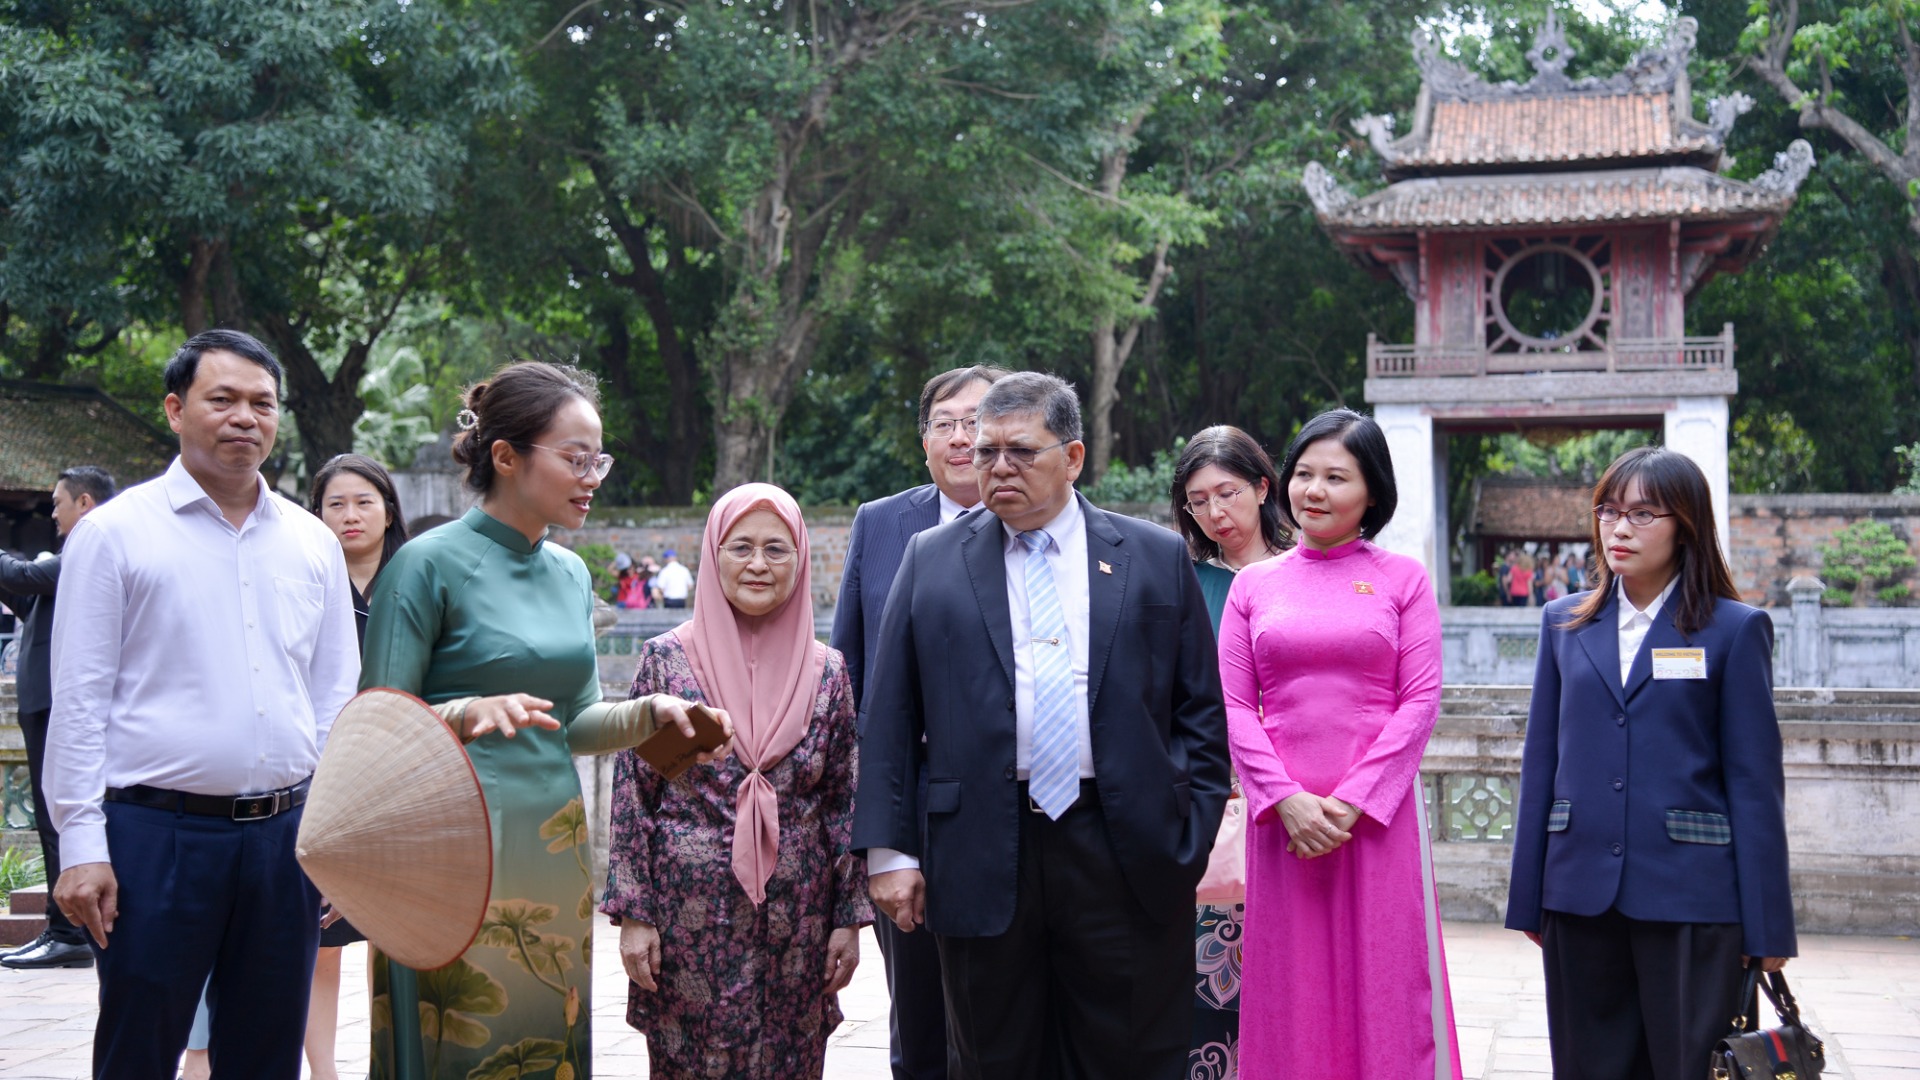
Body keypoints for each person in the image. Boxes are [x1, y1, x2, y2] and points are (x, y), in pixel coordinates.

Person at [359, 359, 731, 1080]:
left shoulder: (569, 574)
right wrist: (468, 711)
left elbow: (578, 721)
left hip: (554, 850)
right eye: (576, 458)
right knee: (459, 1035)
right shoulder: (425, 566)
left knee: (544, 1035)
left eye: (600, 459)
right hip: (453, 848)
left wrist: (652, 713)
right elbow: (376, 728)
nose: (593, 476)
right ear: (506, 457)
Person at [853, 372, 1231, 1080]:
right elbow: (890, 714)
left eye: (1021, 452)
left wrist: (1190, 831)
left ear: (1075, 456)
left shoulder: (1153, 558)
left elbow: (1201, 714)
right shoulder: (931, 561)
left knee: (1131, 1054)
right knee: (993, 1056)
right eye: (987, 451)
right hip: (979, 848)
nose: (997, 467)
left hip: (1124, 847)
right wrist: (890, 853)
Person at [44, 329, 360, 1079]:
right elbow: (80, 699)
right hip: (155, 835)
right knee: (141, 1043)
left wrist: (334, 837)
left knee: (265, 1049)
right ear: (176, 409)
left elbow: (333, 699)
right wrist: (82, 845)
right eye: (223, 400)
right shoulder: (116, 535)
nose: (245, 417)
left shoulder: (312, 543)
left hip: (284, 839)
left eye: (263, 403)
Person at [1505, 446, 1794, 1080]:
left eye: (1641, 514)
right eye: (1608, 511)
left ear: (1684, 525)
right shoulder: (1563, 623)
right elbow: (1542, 762)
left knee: (1689, 1068)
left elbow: (1753, 782)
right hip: (1578, 892)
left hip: (1692, 894)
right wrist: (1528, 896)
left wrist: (1769, 928)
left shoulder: (1734, 630)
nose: (1618, 528)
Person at [1218, 407, 1463, 1080]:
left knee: (1387, 978)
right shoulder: (1253, 585)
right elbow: (1237, 706)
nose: (1314, 491)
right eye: (1303, 474)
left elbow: (1418, 702)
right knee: (1288, 983)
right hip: (1282, 821)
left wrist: (1353, 801)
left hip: (1379, 821)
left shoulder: (1403, 580)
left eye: (1336, 476)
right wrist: (1286, 801)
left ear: (1373, 493)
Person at [604, 483, 871, 1077]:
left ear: (800, 559)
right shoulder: (667, 662)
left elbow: (842, 803)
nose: (757, 564)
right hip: (686, 925)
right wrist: (635, 915)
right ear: (712, 553)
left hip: (796, 929)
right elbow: (633, 797)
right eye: (740, 546)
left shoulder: (828, 672)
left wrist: (848, 920)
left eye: (776, 549)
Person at [830, 362, 1006, 1080]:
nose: (962, 438)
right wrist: (868, 832)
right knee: (919, 1018)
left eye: (978, 421)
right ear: (924, 440)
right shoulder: (881, 523)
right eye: (946, 423)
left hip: (1010, 808)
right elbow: (849, 666)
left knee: (1007, 1012)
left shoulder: (1038, 523)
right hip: (909, 806)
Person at [1169, 425, 1288, 1077]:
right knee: (1209, 992)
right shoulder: (1185, 583)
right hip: (1217, 807)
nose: (1216, 513)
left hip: (1301, 802)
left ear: (1263, 487)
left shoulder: (1310, 571)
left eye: (1228, 492)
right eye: (1198, 501)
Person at [305, 452, 411, 1080]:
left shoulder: (417, 577)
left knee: (393, 942)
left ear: (388, 509)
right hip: (324, 779)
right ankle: (324, 1071)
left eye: (363, 502)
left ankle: (391, 1063)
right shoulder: (305, 578)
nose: (349, 516)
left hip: (403, 779)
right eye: (335, 504)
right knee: (320, 943)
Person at [0, 465, 115, 971]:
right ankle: (60, 927)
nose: (52, 512)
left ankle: (66, 931)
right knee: (51, 817)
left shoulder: (90, 550)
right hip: (40, 700)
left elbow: (24, 577)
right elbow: (27, 597)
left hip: (57, 702)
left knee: (58, 818)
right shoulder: (70, 559)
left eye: (57, 502)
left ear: (84, 503)